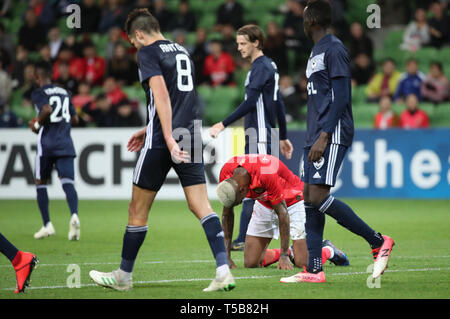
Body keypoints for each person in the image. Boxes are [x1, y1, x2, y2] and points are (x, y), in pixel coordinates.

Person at [89, 8, 235, 292]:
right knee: (201, 206)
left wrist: (164, 136)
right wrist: (154, 128)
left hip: (163, 140)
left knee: (138, 209)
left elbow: (163, 96)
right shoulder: (182, 50)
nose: (134, 46)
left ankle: (123, 276)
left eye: (133, 40)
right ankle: (222, 270)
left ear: (140, 33)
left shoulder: (147, 52)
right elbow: (184, 98)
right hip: (189, 134)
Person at [280, 0, 394, 284]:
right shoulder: (315, 51)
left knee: (317, 196)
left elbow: (342, 96)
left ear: (311, 21)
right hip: (313, 133)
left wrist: (324, 134)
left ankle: (377, 241)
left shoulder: (334, 48)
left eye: (304, 17)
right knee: (308, 200)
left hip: (331, 131)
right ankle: (314, 270)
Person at [209, 24, 294, 252]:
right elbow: (278, 103)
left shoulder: (260, 68)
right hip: (259, 134)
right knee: (254, 187)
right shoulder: (268, 66)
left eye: (243, 43)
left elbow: (249, 104)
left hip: (259, 135)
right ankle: (247, 239)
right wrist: (283, 135)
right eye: (238, 44)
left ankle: (250, 240)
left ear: (256, 42)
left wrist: (222, 123)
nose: (239, 48)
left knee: (256, 187)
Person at [217, 154, 349, 270]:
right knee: (251, 263)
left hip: (291, 200)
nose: (238, 204)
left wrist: (284, 256)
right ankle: (292, 251)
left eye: (238, 202)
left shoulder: (265, 172)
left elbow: (283, 213)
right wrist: (226, 256)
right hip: (264, 201)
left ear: (242, 190)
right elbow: (227, 214)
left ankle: (328, 250)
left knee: (303, 263)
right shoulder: (226, 173)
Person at [29, 61, 80, 241]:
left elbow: (47, 109)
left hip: (47, 144)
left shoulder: (39, 92)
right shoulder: (64, 92)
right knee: (68, 183)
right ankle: (74, 216)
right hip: (65, 143)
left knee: (40, 182)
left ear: (37, 77)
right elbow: (75, 119)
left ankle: (47, 225)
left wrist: (36, 124)